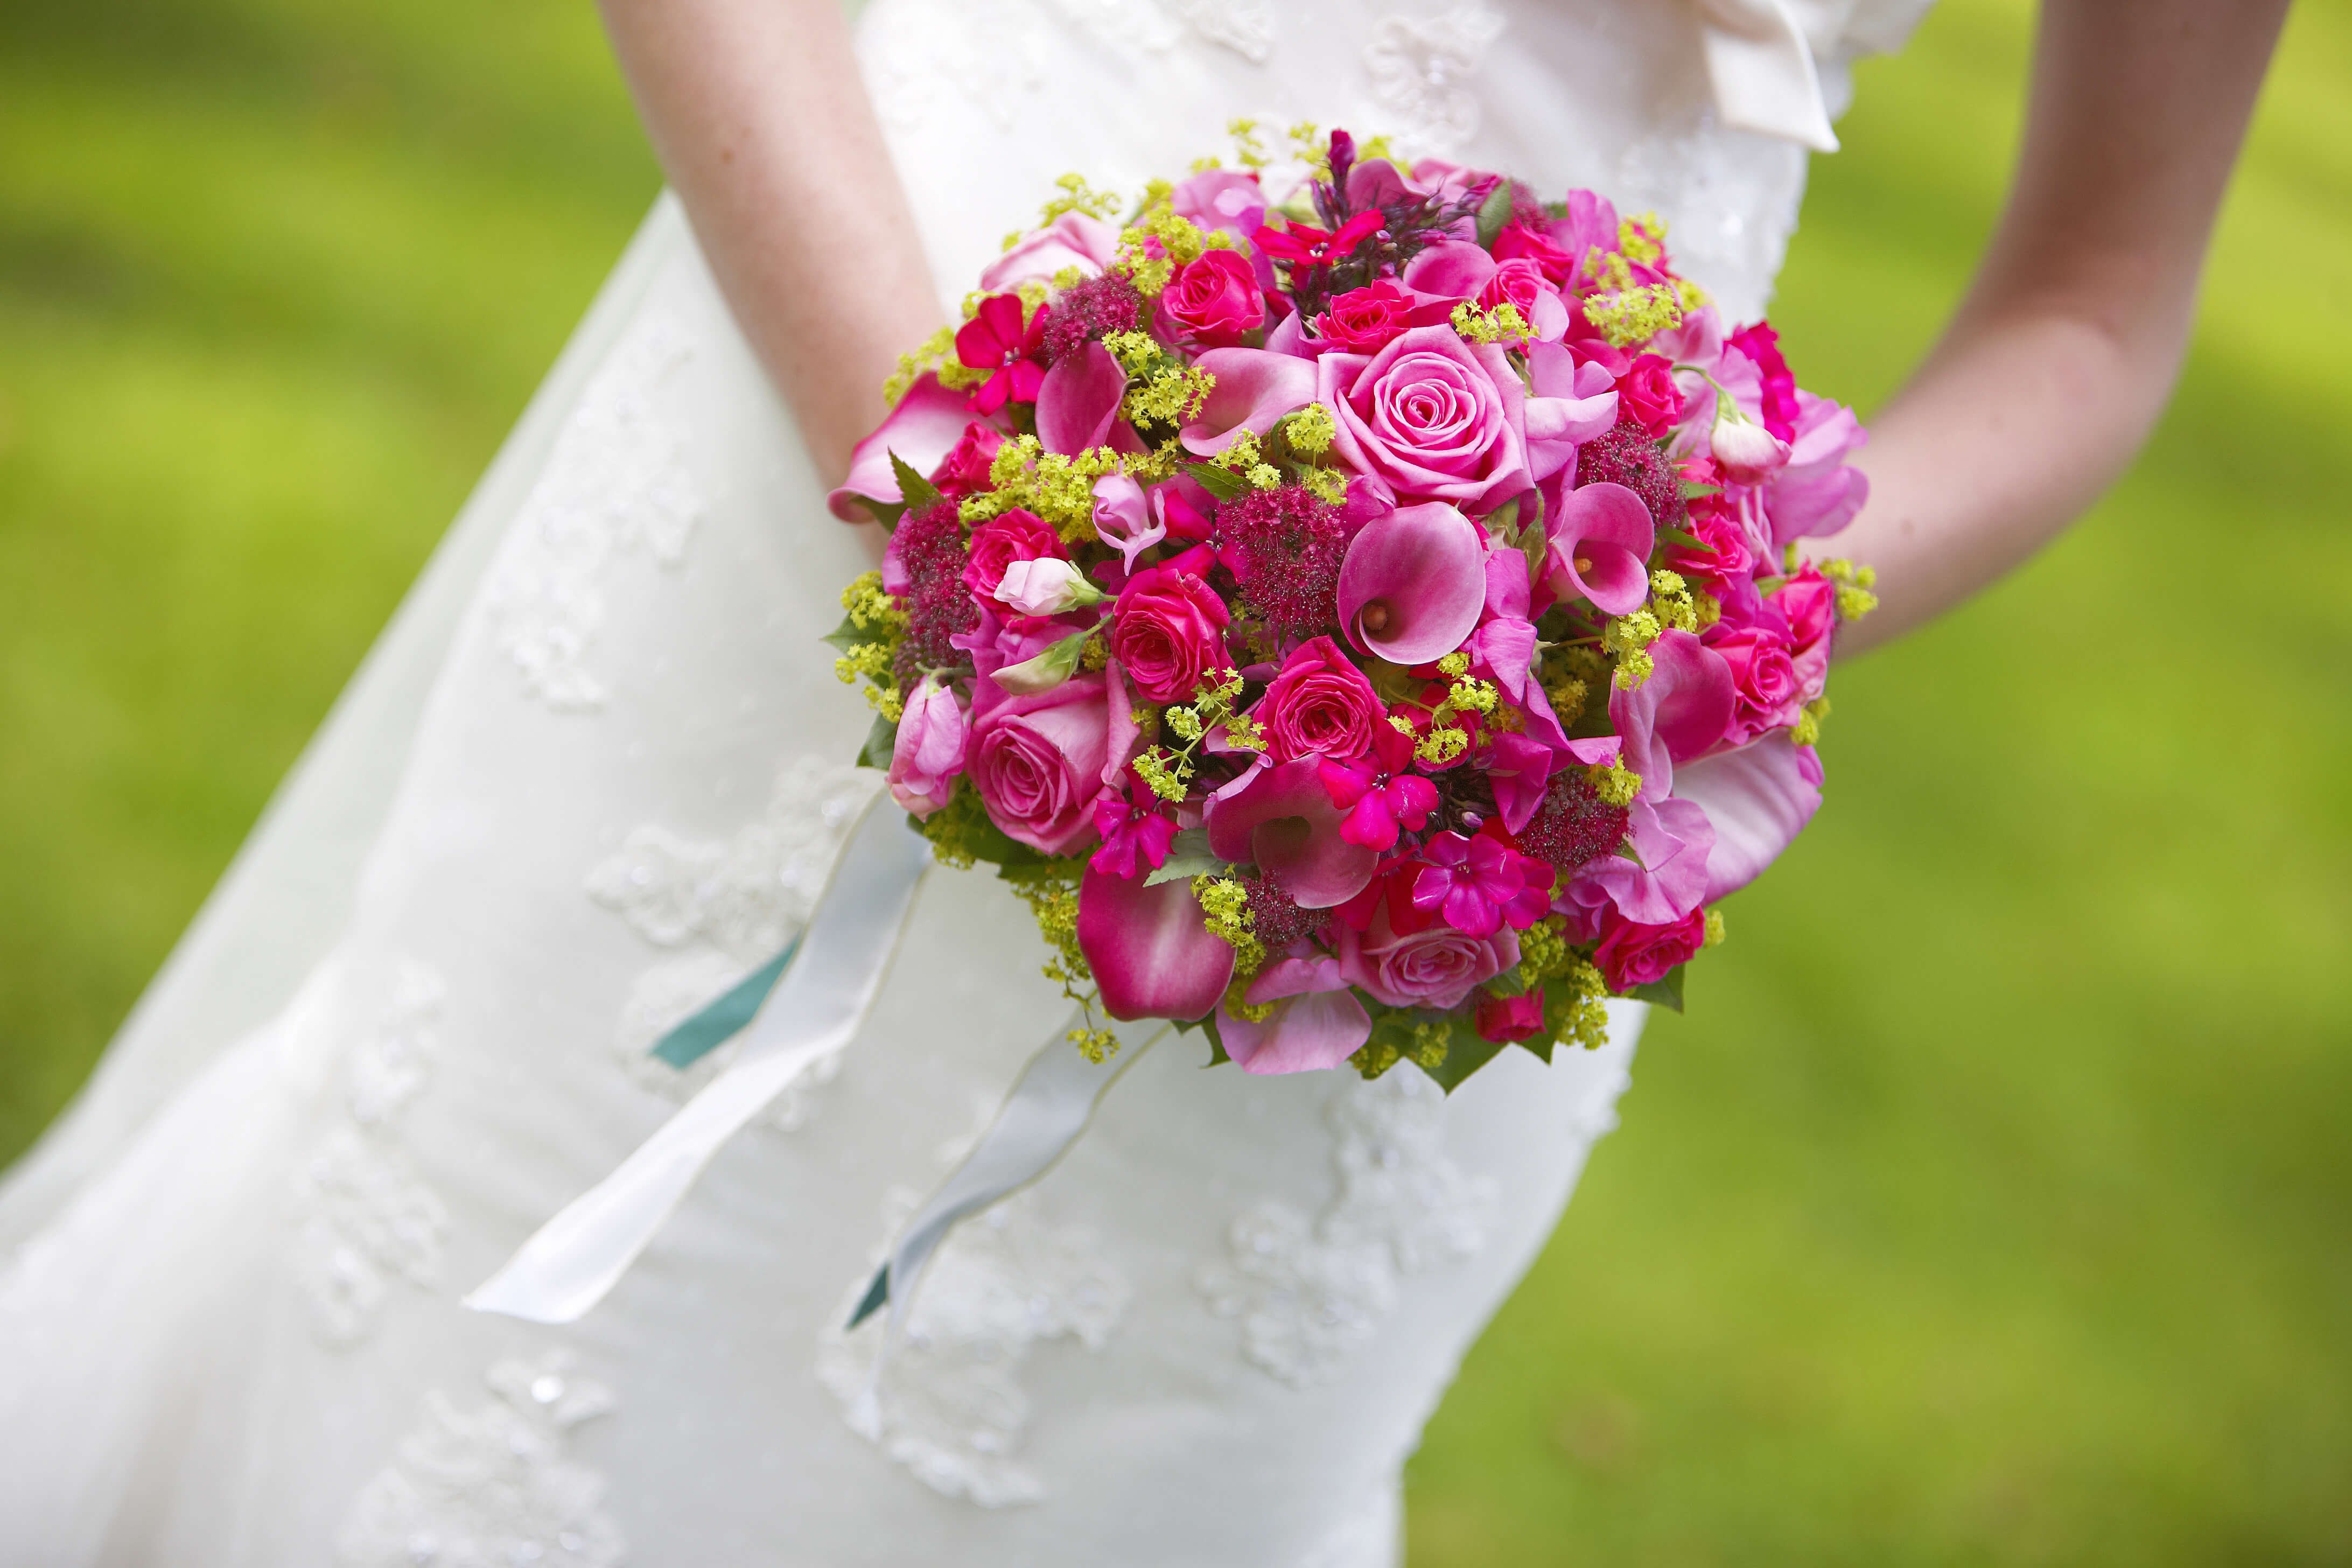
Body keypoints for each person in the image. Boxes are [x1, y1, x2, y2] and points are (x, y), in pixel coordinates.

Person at [0, 1, 2286, 1562]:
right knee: (469, 1341)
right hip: (825, 402)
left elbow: (2095, 305)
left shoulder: (1576, 681)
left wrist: (1655, 639)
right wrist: (955, 496)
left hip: (1491, 776)